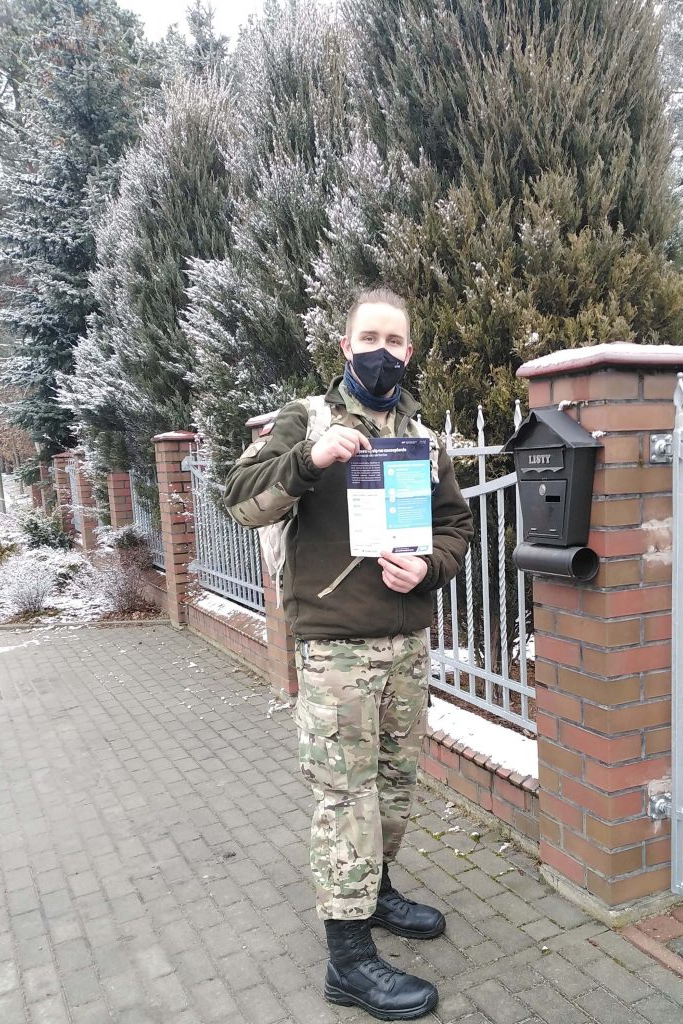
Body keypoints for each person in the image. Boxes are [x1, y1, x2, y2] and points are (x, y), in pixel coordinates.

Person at [223, 287, 473, 1021]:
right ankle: (348, 958)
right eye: (369, 338)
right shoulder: (306, 420)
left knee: (394, 785)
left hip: (406, 644)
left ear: (409, 351)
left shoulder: (423, 440)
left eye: (394, 341)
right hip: (336, 651)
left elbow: (456, 526)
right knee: (345, 798)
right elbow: (240, 500)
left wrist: (428, 567)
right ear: (345, 346)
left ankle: (378, 891)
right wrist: (310, 458)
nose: (381, 352)